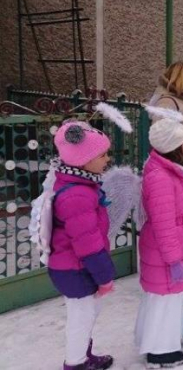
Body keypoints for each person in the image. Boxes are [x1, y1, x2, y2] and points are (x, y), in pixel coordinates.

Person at [49, 121, 115, 370]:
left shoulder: (83, 185)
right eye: (102, 155)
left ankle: (84, 357)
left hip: (78, 268)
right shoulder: (77, 195)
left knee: (87, 316)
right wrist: (105, 277)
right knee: (81, 319)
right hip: (75, 269)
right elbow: (88, 245)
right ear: (83, 159)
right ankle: (75, 364)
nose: (107, 159)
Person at [135, 118, 183, 368]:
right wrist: (173, 260)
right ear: (174, 147)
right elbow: (163, 223)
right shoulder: (161, 177)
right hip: (166, 252)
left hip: (170, 247)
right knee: (165, 302)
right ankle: (160, 353)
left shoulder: (166, 170)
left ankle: (157, 345)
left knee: (166, 300)